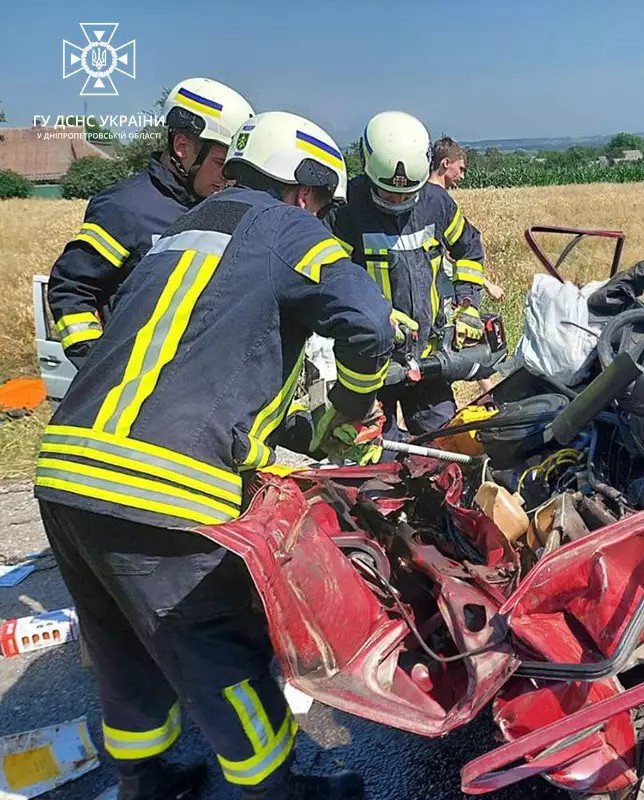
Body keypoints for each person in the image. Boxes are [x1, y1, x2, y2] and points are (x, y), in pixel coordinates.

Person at [34, 111, 393, 800]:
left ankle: (148, 782)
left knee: (123, 650)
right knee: (221, 648)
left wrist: (280, 419)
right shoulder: (286, 229)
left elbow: (201, 358)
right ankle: (275, 791)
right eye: (322, 204)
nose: (320, 215)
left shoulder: (181, 233)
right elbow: (369, 325)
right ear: (305, 191)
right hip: (157, 495)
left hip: (64, 475)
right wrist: (352, 408)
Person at [47, 78, 254, 367]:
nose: (228, 178)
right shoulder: (124, 208)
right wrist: (97, 369)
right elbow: (72, 288)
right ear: (182, 146)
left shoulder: (223, 210)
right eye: (221, 163)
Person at [328, 112, 487, 435]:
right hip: (373, 366)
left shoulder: (436, 203)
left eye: (407, 194)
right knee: (375, 458)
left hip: (428, 359)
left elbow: (468, 248)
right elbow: (331, 279)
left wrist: (468, 304)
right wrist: (375, 317)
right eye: (389, 194)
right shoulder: (346, 210)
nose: (399, 201)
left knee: (444, 447)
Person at [428, 137, 504, 303]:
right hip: (440, 289)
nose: (462, 176)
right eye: (460, 169)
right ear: (446, 163)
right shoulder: (442, 204)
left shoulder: (418, 197)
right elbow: (461, 252)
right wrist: (487, 286)